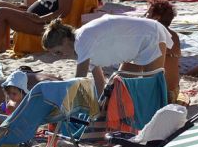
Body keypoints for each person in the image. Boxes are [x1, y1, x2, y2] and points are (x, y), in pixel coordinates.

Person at [42, 13, 174, 96]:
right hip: (135, 48)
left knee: (151, 87)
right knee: (119, 89)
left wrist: (64, 100)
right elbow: (100, 82)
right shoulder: (83, 50)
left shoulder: (81, 40)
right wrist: (99, 106)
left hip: (150, 36)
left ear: (65, 40)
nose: (61, 56)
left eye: (59, 52)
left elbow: (79, 79)